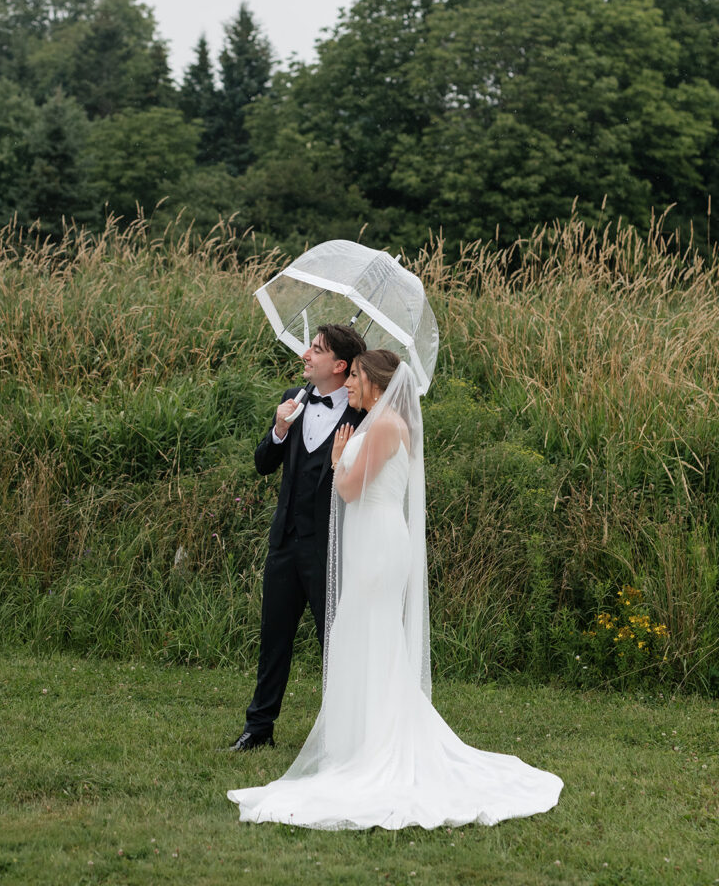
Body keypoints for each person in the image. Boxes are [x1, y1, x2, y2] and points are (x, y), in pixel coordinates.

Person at [228, 349, 563, 827]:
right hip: (372, 539)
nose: (350, 386)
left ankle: (378, 745)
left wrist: (341, 457)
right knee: (364, 637)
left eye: (357, 377)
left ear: (376, 382)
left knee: (370, 636)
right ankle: (363, 738)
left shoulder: (384, 427)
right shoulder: (378, 421)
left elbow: (347, 490)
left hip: (379, 545)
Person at [228, 323, 367, 752]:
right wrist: (279, 429)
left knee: (337, 642)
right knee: (274, 638)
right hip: (285, 541)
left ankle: (344, 732)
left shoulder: (363, 414)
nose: (305, 354)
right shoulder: (295, 397)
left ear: (339, 366)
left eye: (316, 350)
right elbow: (263, 463)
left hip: (332, 546)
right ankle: (258, 729)